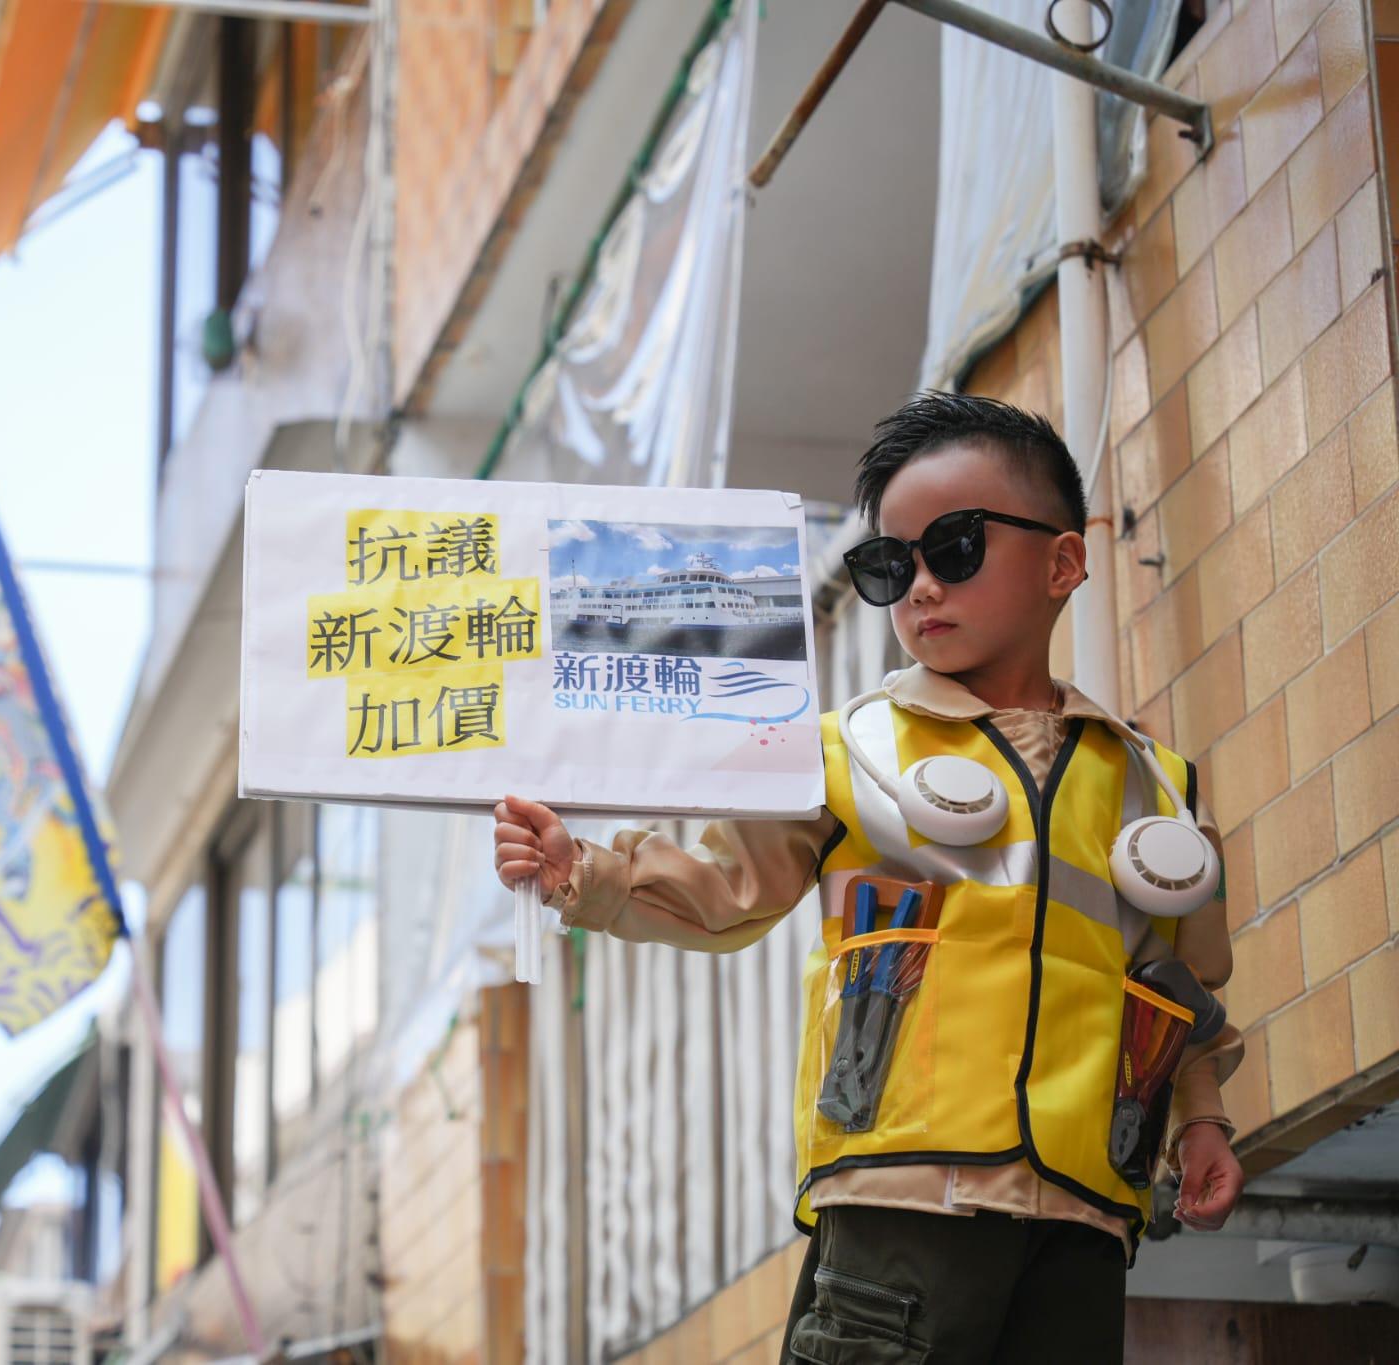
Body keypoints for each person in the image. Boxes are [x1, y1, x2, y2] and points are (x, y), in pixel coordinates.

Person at [492, 393, 1243, 1363]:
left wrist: (1202, 1120)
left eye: (955, 548)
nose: (920, 587)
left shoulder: (1154, 783)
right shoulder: (844, 749)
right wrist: (583, 873)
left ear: (1062, 563)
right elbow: (723, 890)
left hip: (1085, 1212)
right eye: (891, 565)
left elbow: (1176, 989)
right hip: (901, 1190)